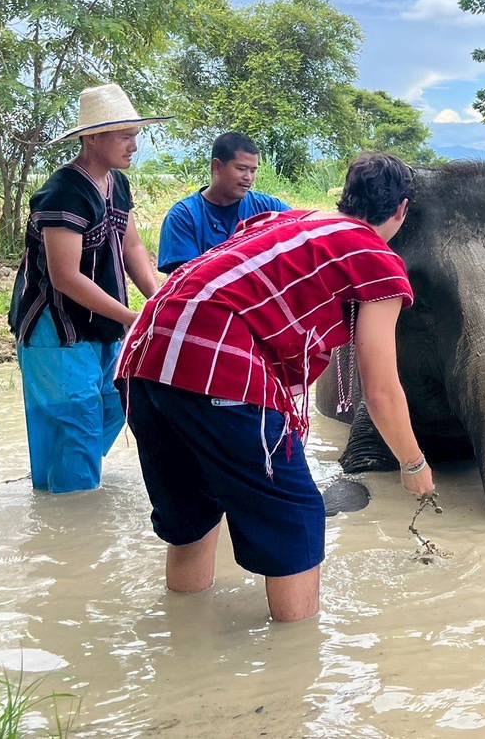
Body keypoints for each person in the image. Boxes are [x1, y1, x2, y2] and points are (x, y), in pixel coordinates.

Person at [115, 153, 434, 622]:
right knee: (297, 522)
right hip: (218, 367)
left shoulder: (279, 221)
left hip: (142, 358)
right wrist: (414, 463)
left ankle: (183, 640)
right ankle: (296, 672)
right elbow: (381, 388)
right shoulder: (378, 261)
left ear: (345, 197)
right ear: (401, 210)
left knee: (192, 517)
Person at [8, 83, 165, 494]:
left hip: (102, 325)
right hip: (57, 331)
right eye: (123, 136)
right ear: (92, 138)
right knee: (75, 424)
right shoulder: (64, 192)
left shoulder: (117, 185)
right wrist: (134, 317)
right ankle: (70, 512)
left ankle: (58, 487)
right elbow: (66, 277)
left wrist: (161, 301)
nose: (134, 145)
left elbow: (132, 248)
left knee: (115, 404)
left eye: (135, 135)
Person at [157, 131, 290, 273]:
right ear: (217, 166)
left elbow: (303, 228)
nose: (248, 177)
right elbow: (184, 280)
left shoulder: (269, 207)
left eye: (253, 171)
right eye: (241, 169)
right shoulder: (183, 216)